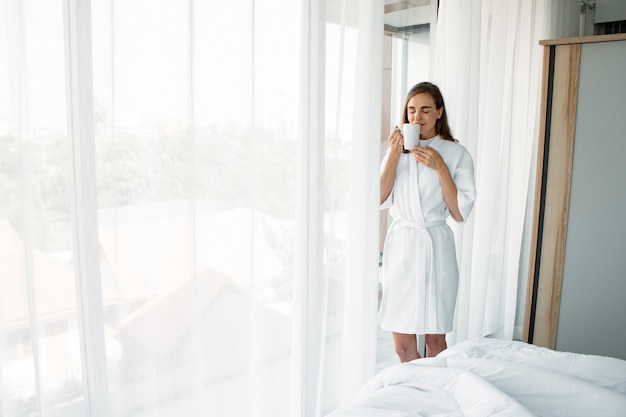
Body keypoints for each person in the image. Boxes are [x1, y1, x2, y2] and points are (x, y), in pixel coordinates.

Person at [379, 82, 476, 362]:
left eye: (425, 110)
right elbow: (378, 197)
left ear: (439, 113)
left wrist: (440, 167)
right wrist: (395, 154)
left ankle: (436, 394)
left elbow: (459, 213)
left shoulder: (457, 154)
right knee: (402, 345)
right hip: (403, 248)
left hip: (436, 249)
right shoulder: (396, 152)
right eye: (411, 111)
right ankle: (414, 393)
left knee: (434, 340)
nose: (417, 118)